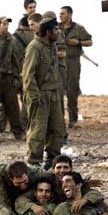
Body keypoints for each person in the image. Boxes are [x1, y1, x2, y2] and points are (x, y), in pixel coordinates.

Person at [22, 17, 64, 169]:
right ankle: (33, 162)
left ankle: (52, 161)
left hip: (53, 93)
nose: (58, 32)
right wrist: (33, 95)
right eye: (55, 30)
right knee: (38, 130)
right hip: (39, 94)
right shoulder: (35, 47)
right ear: (48, 32)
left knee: (57, 129)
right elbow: (28, 74)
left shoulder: (52, 46)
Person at [15, 155, 104, 215]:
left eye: (65, 167)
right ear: (53, 170)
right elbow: (21, 199)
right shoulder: (47, 181)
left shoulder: (74, 181)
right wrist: (34, 207)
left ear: (71, 169)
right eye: (59, 167)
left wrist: (84, 200)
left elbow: (95, 194)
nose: (62, 170)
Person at [0, 16, 23, 141]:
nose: (6, 26)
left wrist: (17, 76)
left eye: (7, 24)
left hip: (8, 76)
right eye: (4, 24)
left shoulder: (12, 40)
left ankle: (18, 131)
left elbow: (15, 60)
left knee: (12, 105)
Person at [59, 6, 93, 128]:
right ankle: (59, 120)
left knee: (72, 91)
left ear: (70, 15)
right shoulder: (56, 28)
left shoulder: (78, 28)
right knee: (58, 91)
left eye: (63, 14)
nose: (60, 16)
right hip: (59, 62)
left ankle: (73, 119)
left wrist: (78, 42)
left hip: (73, 62)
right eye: (60, 13)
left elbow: (90, 42)